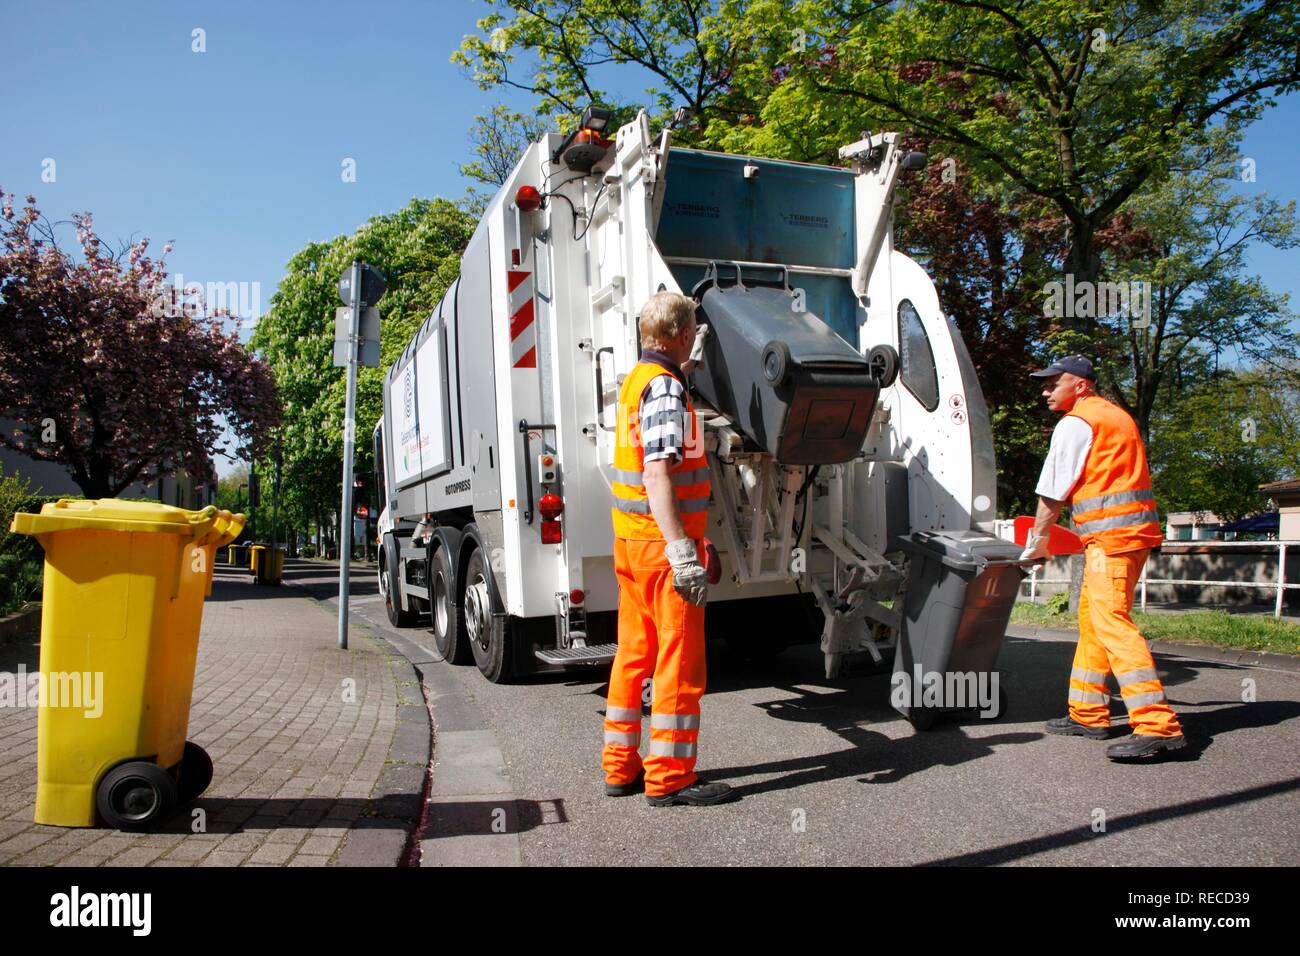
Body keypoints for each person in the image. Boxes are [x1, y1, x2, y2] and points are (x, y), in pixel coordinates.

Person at [601, 291, 737, 806]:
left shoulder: (635, 382)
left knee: (634, 656)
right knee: (679, 661)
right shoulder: (664, 388)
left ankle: (620, 767)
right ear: (681, 336)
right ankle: (670, 778)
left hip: (634, 545)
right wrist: (684, 550)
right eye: (694, 332)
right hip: (661, 551)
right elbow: (658, 473)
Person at [1022, 355, 1186, 760]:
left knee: (1112, 624)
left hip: (1113, 540)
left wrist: (1039, 541)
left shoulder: (1078, 422)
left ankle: (1157, 725)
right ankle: (1088, 713)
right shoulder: (1114, 416)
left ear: (1079, 384)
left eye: (1051, 383)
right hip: (1123, 538)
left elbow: (1053, 492)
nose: (1045, 392)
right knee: (1093, 622)